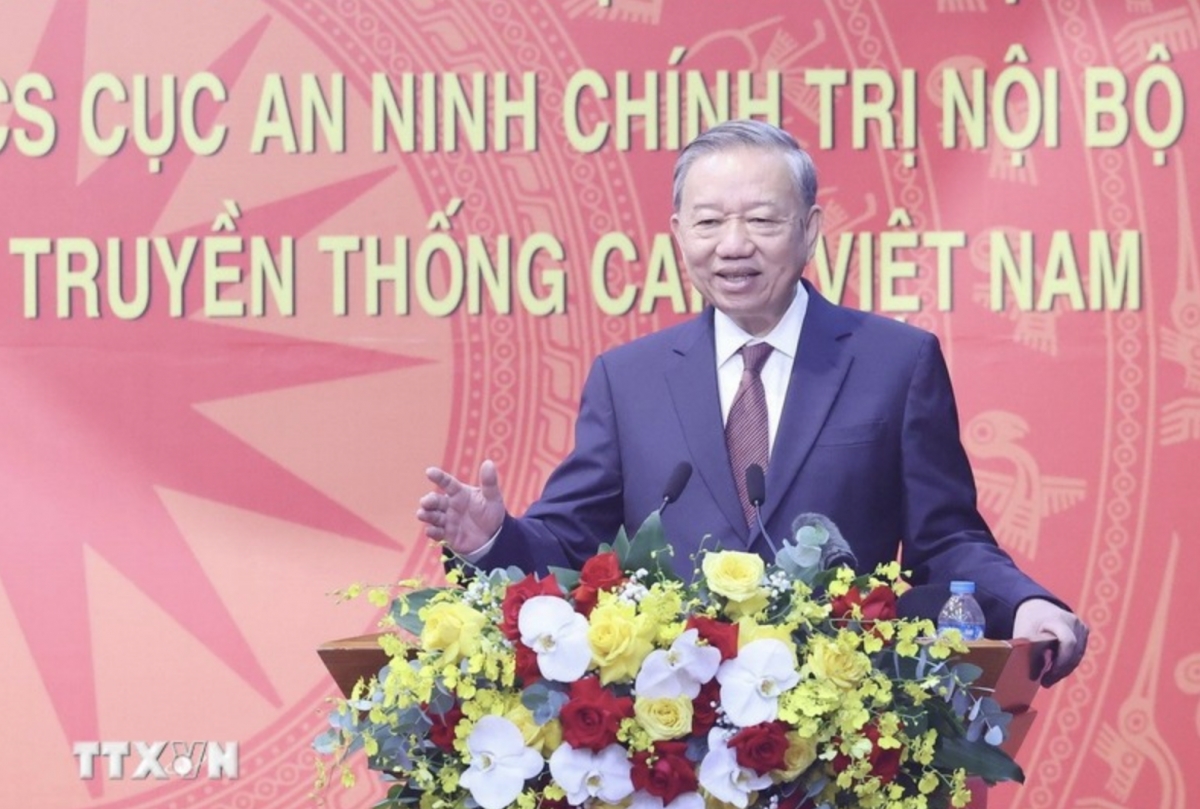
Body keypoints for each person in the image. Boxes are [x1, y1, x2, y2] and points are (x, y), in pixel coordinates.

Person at [417, 119, 1087, 686]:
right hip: (671, 733)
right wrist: (492, 540)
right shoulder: (629, 380)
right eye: (709, 222)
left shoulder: (894, 363)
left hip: (847, 724)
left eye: (762, 220)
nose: (733, 245)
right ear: (680, 233)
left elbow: (948, 539)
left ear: (810, 228)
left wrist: (1021, 603)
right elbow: (567, 544)